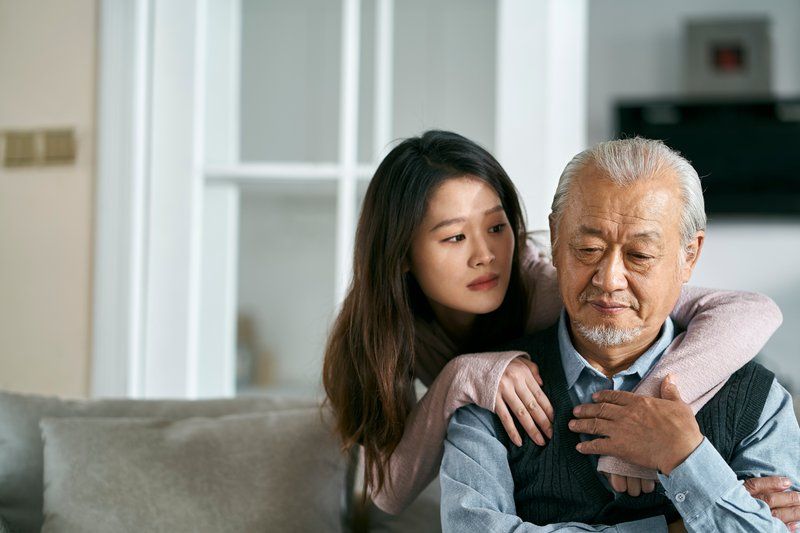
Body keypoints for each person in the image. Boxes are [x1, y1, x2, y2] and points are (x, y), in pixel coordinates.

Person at [322, 130, 783, 514]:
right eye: (455, 237)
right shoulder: (380, 331)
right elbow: (388, 491)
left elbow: (752, 311)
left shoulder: (552, 283)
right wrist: (461, 375)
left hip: (709, 374)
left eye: (498, 227)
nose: (485, 255)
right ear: (401, 254)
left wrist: (642, 418)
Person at [439, 137, 800, 532]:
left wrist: (684, 454)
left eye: (639, 256)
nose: (609, 280)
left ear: (689, 255)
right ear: (557, 238)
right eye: (588, 249)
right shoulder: (493, 395)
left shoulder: (757, 398)